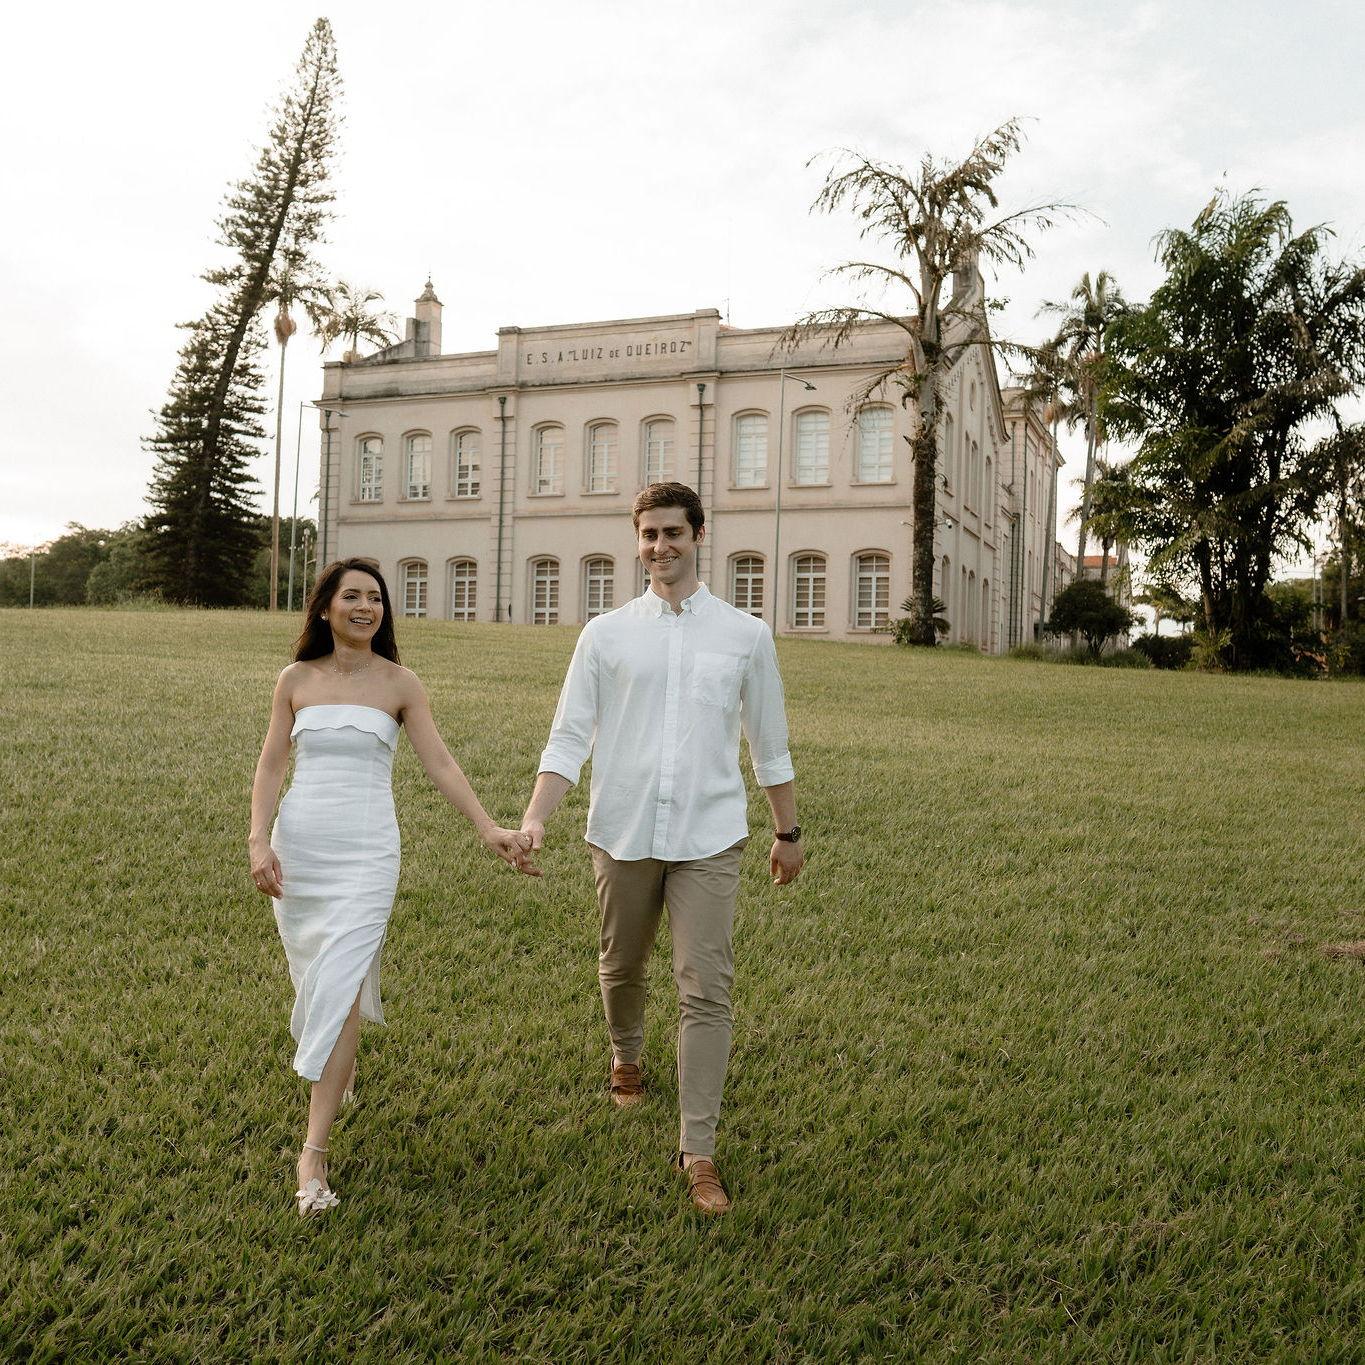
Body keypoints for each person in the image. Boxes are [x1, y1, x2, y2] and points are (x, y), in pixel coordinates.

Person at [521, 482, 804, 1214]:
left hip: (709, 836)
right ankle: (626, 1056)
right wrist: (536, 818)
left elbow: (768, 744)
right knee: (621, 965)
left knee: (705, 988)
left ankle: (698, 1149)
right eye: (649, 534)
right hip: (622, 830)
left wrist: (787, 833)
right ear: (637, 540)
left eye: (672, 532)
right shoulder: (605, 635)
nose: (660, 546)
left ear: (697, 535)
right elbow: (568, 737)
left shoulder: (745, 636)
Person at [249, 557, 533, 1218]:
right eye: (351, 596)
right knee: (315, 977)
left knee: (342, 986)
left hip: (368, 854)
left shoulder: (401, 683)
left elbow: (440, 761)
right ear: (326, 607)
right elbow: (271, 764)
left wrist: (487, 826)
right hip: (302, 849)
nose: (365, 607)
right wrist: (258, 840)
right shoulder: (295, 679)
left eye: (375, 598)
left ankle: (313, 1153)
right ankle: (338, 1069)